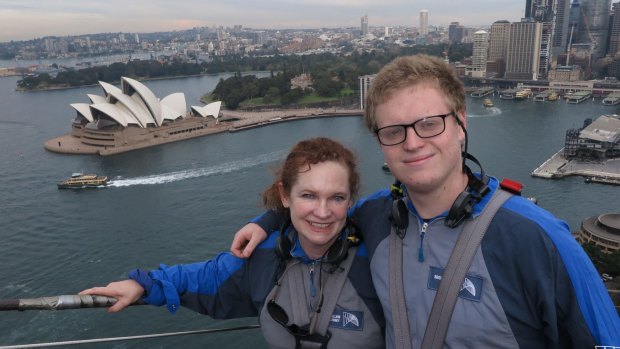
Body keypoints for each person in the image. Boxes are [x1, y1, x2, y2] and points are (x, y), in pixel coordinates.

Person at [230, 55, 620, 348]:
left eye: (430, 123)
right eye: (394, 131)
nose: (413, 142)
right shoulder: (373, 216)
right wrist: (268, 219)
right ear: (380, 142)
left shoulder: (535, 237)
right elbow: (319, 210)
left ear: (462, 122)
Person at [80, 137, 385, 349]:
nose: (322, 211)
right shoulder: (262, 257)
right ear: (284, 196)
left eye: (337, 197)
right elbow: (206, 279)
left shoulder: (379, 251)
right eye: (308, 195)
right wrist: (143, 285)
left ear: (351, 200)